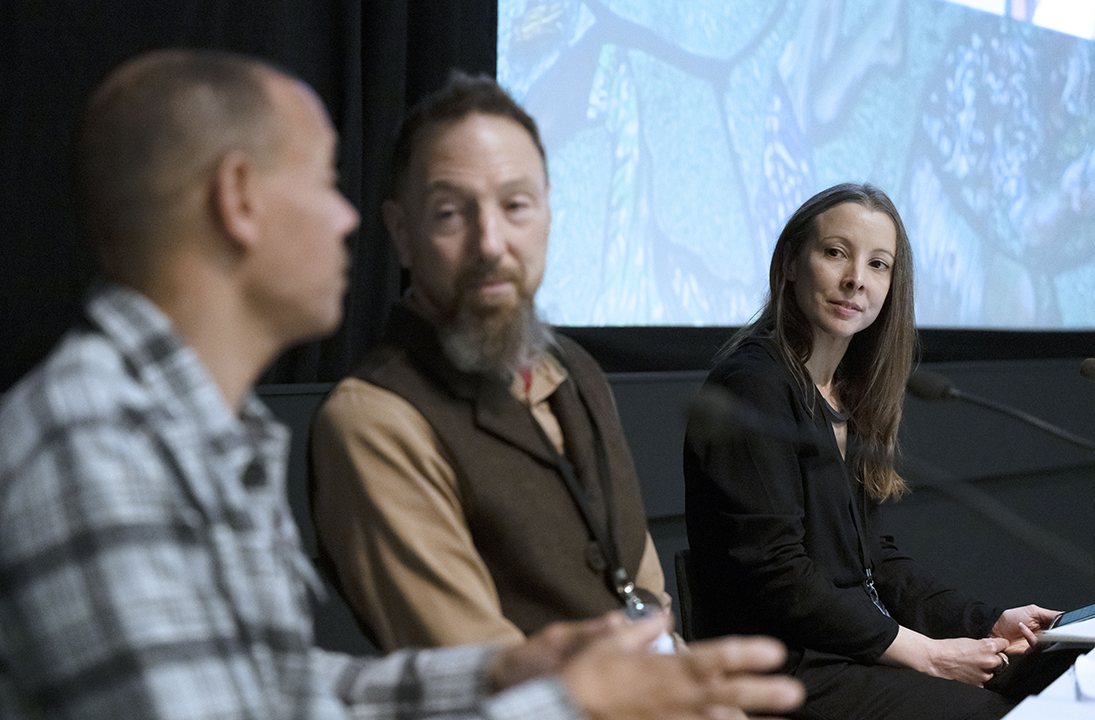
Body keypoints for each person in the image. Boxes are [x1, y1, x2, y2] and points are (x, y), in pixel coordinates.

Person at [0, 49, 807, 720]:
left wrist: (510, 675)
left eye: (518, 204)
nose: (345, 220)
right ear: (239, 200)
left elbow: (283, 691)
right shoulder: (97, 446)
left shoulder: (198, 429)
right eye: (323, 183)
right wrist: (570, 703)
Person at [309, 74, 672, 652]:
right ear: (402, 235)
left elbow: (649, 595)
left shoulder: (576, 371)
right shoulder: (374, 421)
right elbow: (478, 672)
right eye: (451, 214)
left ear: (550, 214)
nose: (491, 243)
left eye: (516, 205)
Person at [682, 182, 1061, 720]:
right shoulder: (752, 387)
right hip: (786, 669)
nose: (856, 278)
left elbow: (871, 562)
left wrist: (984, 622)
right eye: (835, 252)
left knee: (1048, 677)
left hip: (847, 650)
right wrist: (926, 654)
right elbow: (777, 574)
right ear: (791, 262)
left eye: (878, 264)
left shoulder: (847, 393)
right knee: (994, 712)